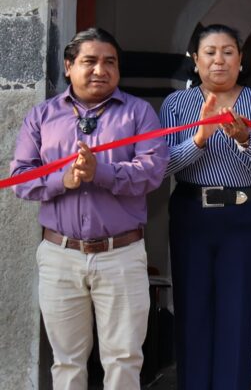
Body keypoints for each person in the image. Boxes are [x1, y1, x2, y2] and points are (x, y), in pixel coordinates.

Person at [10, 28, 169, 389]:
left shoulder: (139, 114)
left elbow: (153, 171)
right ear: (69, 66)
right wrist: (61, 180)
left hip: (121, 254)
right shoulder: (42, 117)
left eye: (109, 62)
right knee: (66, 362)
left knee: (124, 359)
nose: (100, 69)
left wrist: (101, 173)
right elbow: (20, 177)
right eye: (90, 61)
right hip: (60, 255)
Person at [159, 24, 251, 389]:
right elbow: (163, 164)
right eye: (210, 52)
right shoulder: (176, 104)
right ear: (195, 61)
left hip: (242, 215)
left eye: (228, 51)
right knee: (192, 308)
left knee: (237, 310)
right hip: (191, 212)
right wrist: (198, 139)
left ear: (241, 59)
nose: (219, 60)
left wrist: (246, 138)